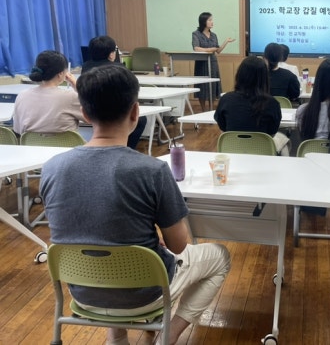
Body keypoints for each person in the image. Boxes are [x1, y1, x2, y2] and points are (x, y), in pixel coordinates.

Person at [40, 64, 231, 345]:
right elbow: (179, 245)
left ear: (85, 114)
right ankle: (169, 336)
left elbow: (78, 226)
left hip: (84, 293)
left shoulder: (52, 168)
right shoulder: (152, 171)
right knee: (220, 257)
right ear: (135, 112)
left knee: (107, 255)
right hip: (145, 294)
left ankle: (117, 338)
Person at [214, 56, 290, 155]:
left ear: (239, 75)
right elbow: (272, 132)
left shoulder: (226, 99)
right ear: (265, 78)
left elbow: (223, 126)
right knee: (283, 139)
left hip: (232, 151)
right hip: (262, 152)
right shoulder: (272, 103)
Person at [82, 35, 146, 150]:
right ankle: (127, 148)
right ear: (111, 54)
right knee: (141, 120)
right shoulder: (119, 68)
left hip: (94, 109)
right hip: (115, 108)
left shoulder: (85, 66)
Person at [13, 50, 84, 135]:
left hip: (30, 144)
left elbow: (17, 130)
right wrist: (77, 87)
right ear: (61, 74)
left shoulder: (22, 95)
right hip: (65, 144)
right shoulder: (70, 96)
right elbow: (92, 118)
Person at [192, 12, 235, 112]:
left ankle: (211, 108)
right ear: (204, 21)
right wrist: (210, 49)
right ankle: (203, 110)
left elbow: (218, 50)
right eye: (210, 20)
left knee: (213, 86)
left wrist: (225, 42)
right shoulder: (196, 34)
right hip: (201, 64)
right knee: (202, 87)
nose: (212, 22)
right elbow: (196, 48)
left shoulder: (214, 35)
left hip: (212, 63)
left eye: (212, 20)